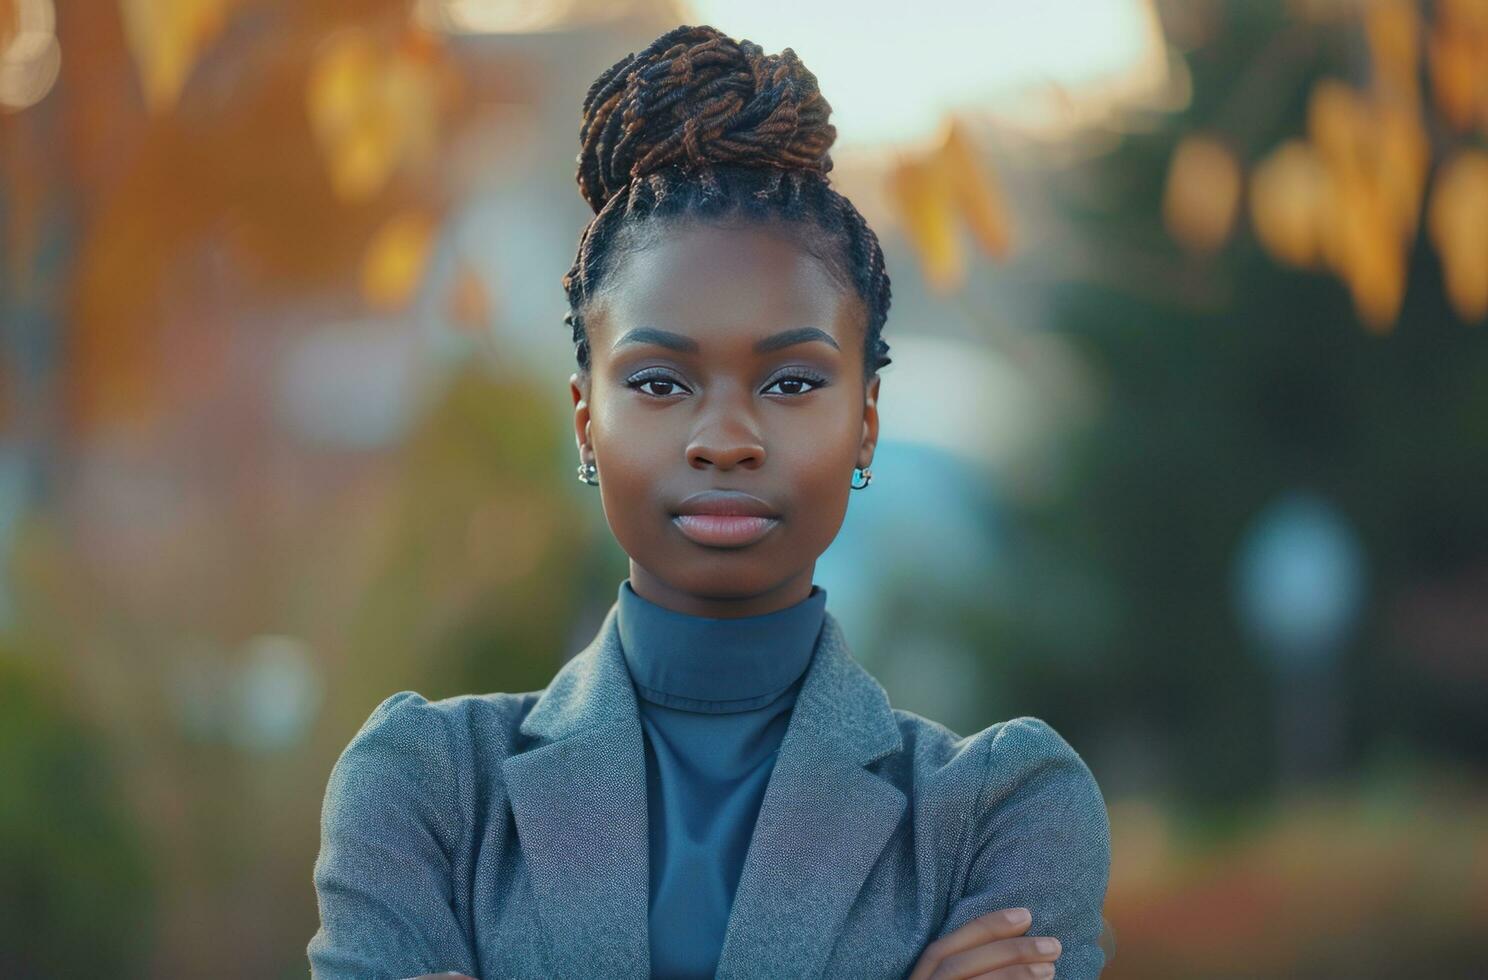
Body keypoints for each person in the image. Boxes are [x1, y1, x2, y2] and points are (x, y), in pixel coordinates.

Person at [308, 23, 1111, 980]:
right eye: (657, 384)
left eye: (790, 384)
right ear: (584, 422)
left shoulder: (998, 811)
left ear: (866, 422)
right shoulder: (428, 790)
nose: (725, 437)